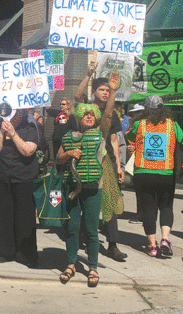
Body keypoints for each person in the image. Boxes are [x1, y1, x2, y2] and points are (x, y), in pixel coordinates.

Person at [56, 92, 118, 287]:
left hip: (93, 189)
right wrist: (69, 153)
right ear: (79, 117)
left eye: (92, 114)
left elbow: (108, 115)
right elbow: (58, 159)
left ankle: (92, 267)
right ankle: (71, 264)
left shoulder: (101, 135)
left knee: (92, 230)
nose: (89, 117)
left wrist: (113, 92)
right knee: (72, 229)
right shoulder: (68, 137)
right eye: (85, 114)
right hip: (72, 188)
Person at [74, 62, 127, 261]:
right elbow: (77, 96)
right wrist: (88, 75)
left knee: (111, 202)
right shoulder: (86, 108)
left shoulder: (112, 113)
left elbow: (114, 140)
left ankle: (112, 244)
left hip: (107, 162)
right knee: (86, 199)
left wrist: (119, 166)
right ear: (94, 91)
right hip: (87, 159)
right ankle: (85, 237)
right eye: (102, 89)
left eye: (108, 90)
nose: (105, 93)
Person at [127, 95, 183, 258]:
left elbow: (130, 137)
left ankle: (152, 246)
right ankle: (165, 239)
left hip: (143, 172)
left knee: (148, 209)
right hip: (166, 173)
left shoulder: (139, 124)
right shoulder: (172, 124)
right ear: (163, 109)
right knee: (166, 207)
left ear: (145, 110)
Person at [0, 108, 40, 267]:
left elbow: (28, 151)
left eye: (16, 114)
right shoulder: (2, 126)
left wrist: (13, 134)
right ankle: (6, 252)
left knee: (25, 218)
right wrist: (1, 133)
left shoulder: (31, 126)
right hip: (5, 175)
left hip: (24, 176)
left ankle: (26, 254)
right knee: (5, 216)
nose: (13, 117)